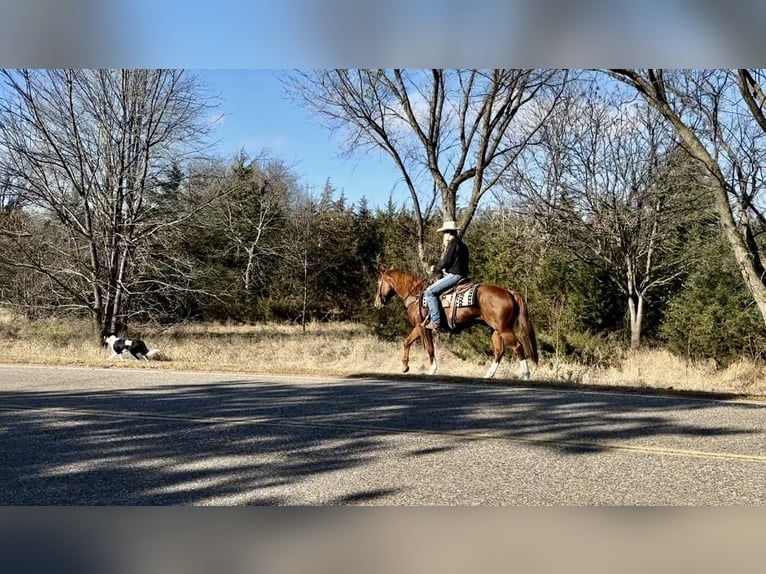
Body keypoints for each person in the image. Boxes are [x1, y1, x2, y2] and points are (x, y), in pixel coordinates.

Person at [424, 220, 469, 332]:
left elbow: (446, 261)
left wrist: (436, 268)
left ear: (448, 233)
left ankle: (436, 322)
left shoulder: (453, 243)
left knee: (429, 292)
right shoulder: (463, 245)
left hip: (455, 275)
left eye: (444, 233)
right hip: (463, 275)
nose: (444, 236)